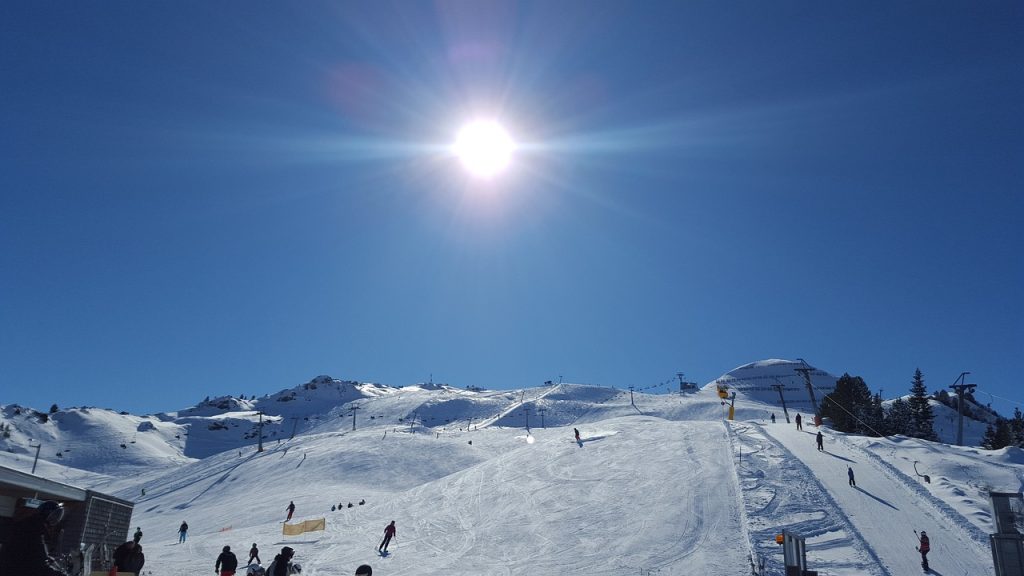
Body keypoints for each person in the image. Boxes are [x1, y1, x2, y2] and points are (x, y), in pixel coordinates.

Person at [0, 500, 69, 576]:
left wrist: (49, 559)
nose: (56, 519)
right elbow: (38, 564)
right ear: (47, 515)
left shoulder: (26, 525)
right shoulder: (34, 531)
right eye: (55, 515)